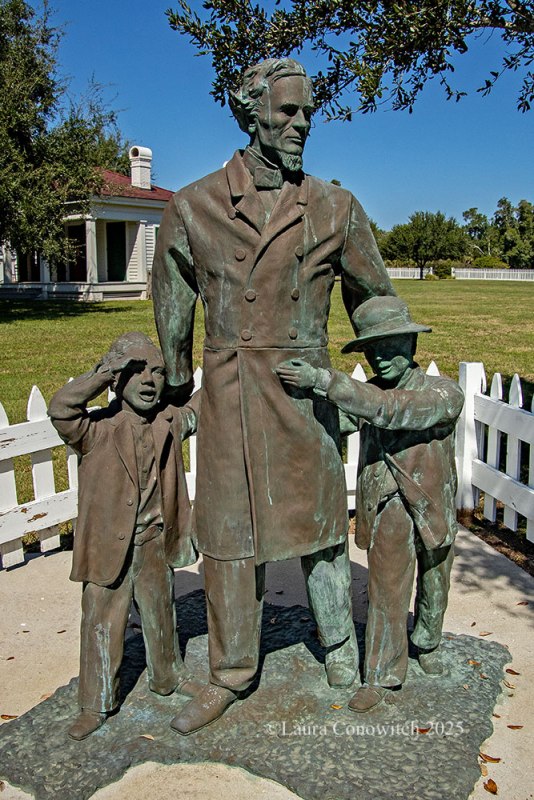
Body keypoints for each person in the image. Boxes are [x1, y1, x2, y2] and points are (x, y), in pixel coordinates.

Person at [152, 57, 396, 734]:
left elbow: (374, 296)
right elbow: (172, 301)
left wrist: (391, 375)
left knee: (322, 527)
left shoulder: (335, 206)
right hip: (230, 392)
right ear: (250, 112)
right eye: (289, 111)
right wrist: (174, 379)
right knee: (230, 533)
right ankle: (232, 672)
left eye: (309, 113)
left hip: (304, 390)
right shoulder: (193, 205)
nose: (302, 124)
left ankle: (339, 648)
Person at [276, 296, 465, 713]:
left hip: (433, 505)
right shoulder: (369, 393)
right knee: (386, 589)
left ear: (411, 345)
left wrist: (325, 381)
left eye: (389, 346)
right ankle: (382, 674)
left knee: (435, 583)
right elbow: (335, 422)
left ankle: (428, 640)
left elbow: (391, 412)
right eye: (371, 349)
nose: (379, 357)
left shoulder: (443, 393)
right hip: (388, 502)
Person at [48, 332, 201, 740]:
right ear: (118, 379)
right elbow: (61, 408)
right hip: (108, 546)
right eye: (137, 372)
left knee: (161, 612)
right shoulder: (94, 430)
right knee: (101, 621)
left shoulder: (168, 422)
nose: (149, 380)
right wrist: (104, 373)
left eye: (158, 372)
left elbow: (202, 407)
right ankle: (96, 702)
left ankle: (167, 676)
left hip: (153, 541)